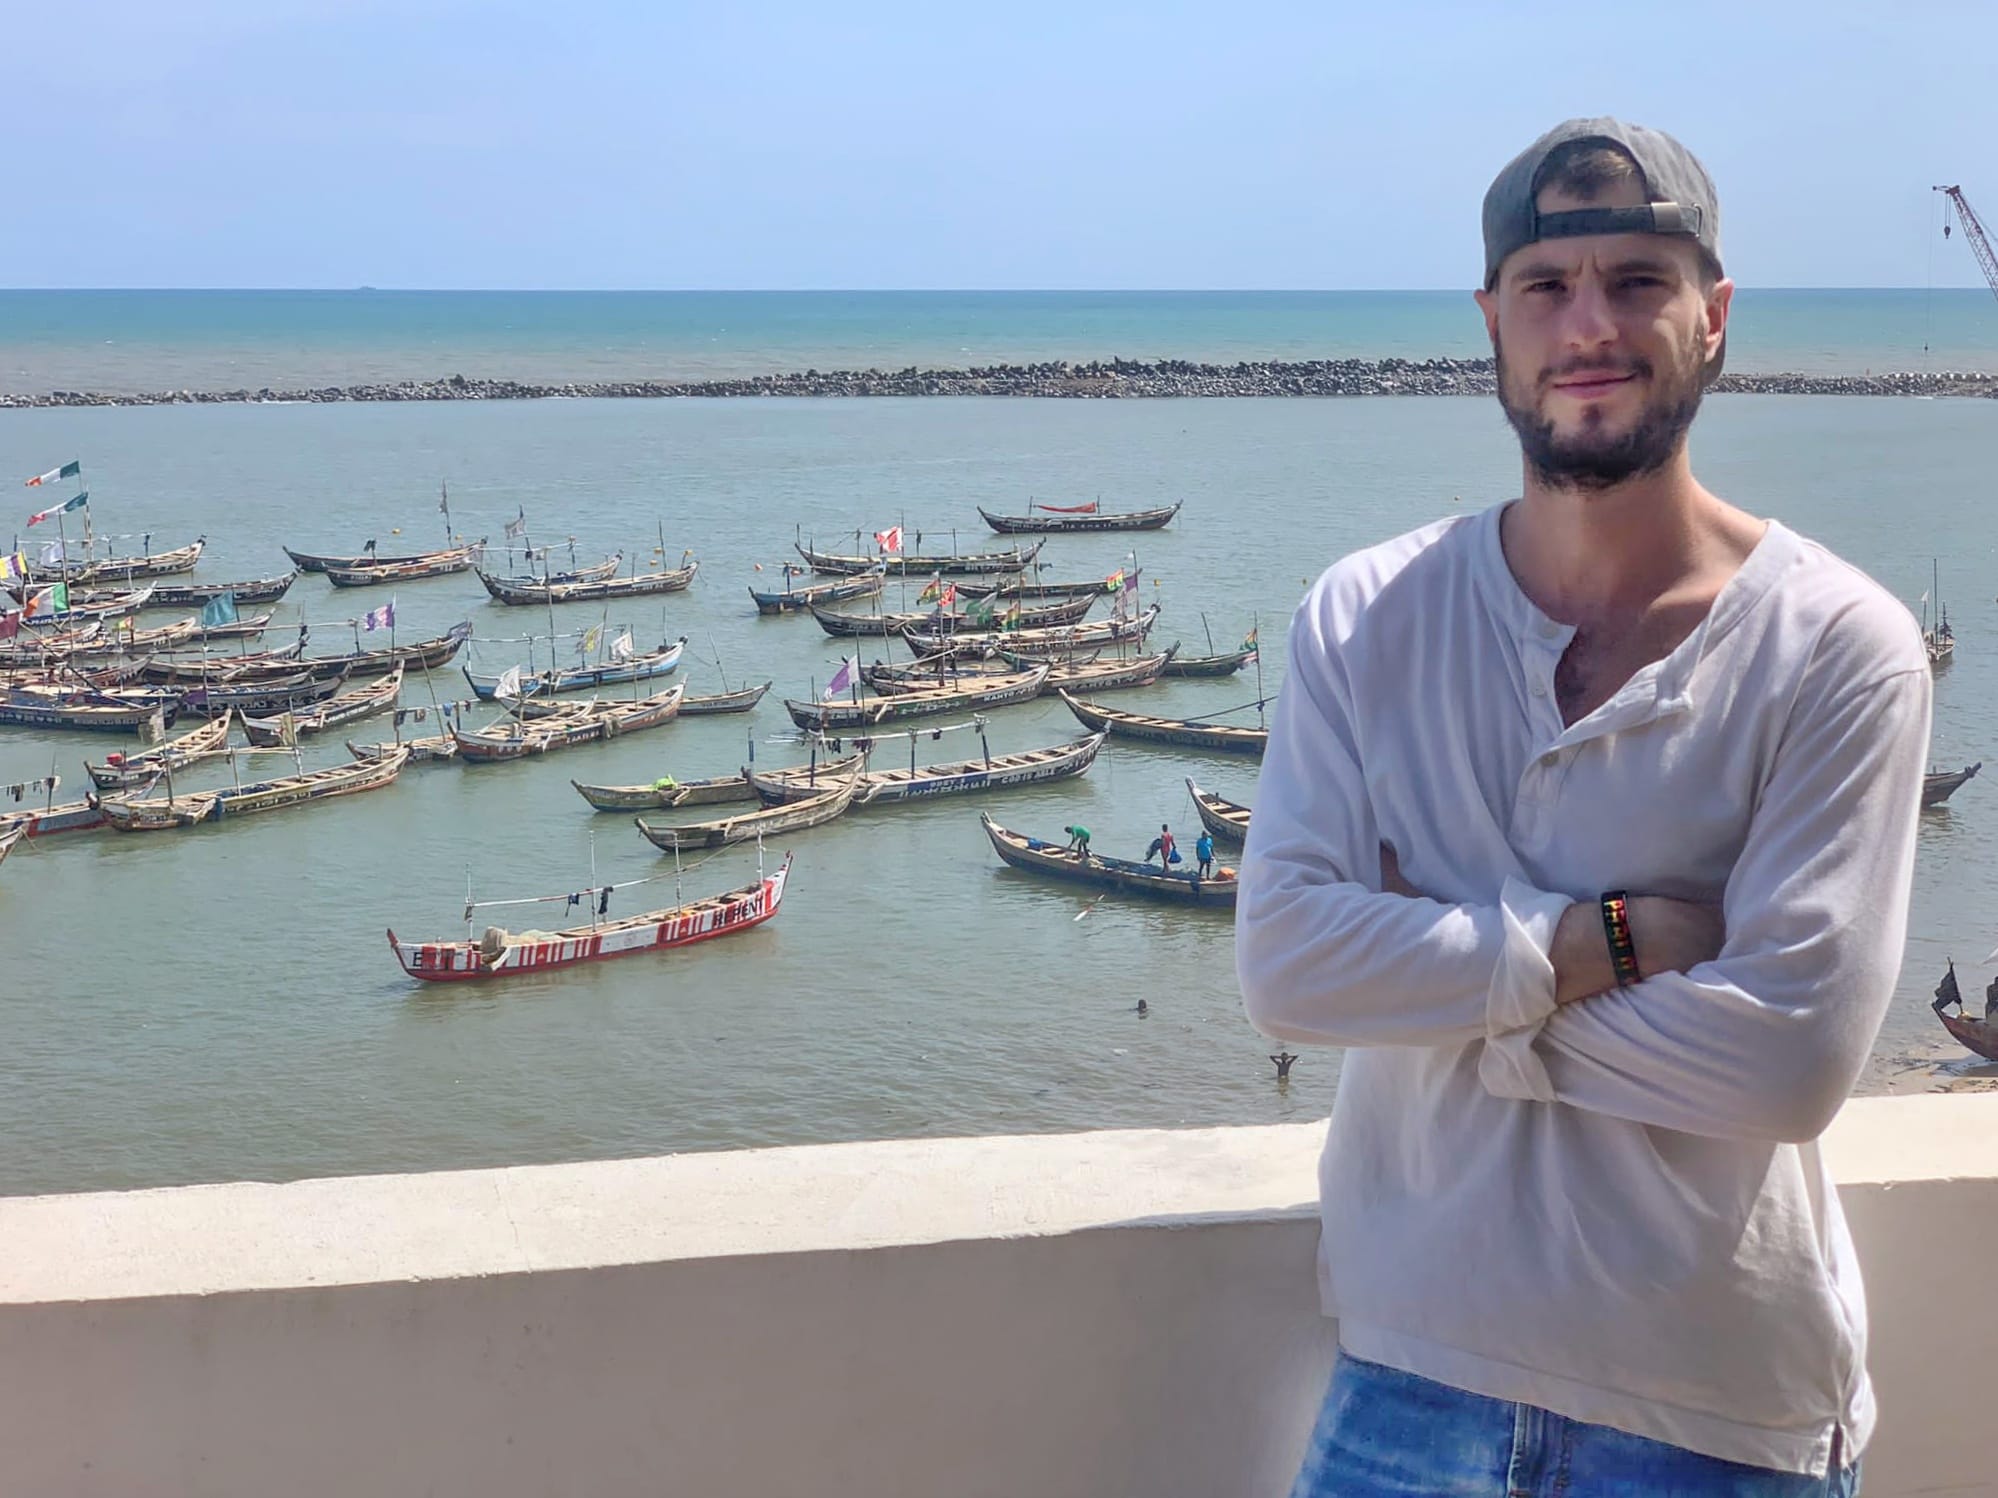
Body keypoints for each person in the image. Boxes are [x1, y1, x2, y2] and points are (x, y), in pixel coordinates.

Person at [1237, 118, 1928, 1496]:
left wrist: (1436, 994)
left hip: (1716, 1421)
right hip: (1403, 1379)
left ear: (1713, 317)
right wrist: (1591, 943)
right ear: (1491, 323)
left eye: (1636, 280)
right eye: (1547, 287)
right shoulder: (1365, 617)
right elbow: (1286, 965)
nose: (1588, 325)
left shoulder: (1837, 643)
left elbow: (1784, 1061)